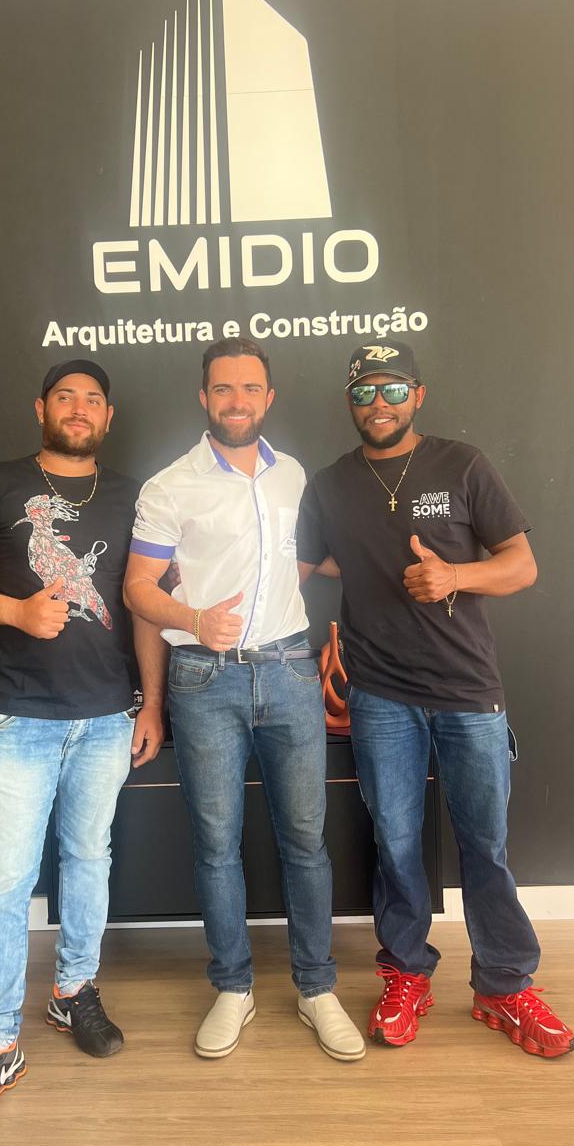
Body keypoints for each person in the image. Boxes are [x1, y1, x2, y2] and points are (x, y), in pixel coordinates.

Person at [297, 342, 574, 1059]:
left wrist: (455, 576)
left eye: (393, 389)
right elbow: (304, 562)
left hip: (467, 691)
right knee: (395, 843)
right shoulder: (330, 484)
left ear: (417, 396)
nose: (379, 404)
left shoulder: (463, 464)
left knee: (485, 845)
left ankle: (504, 986)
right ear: (350, 401)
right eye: (365, 391)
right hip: (380, 695)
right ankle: (406, 974)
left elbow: (521, 565)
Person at [0, 360, 166, 1133]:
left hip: (107, 718)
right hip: (19, 718)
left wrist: (152, 703)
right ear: (42, 408)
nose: (79, 408)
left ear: (108, 415)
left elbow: (142, 606)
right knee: (4, 882)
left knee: (90, 860)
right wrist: (17, 612)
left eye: (92, 399)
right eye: (66, 396)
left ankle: (72, 992)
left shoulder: (132, 495)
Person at [123, 340, 365, 1063]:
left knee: (306, 843)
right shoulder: (170, 485)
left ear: (269, 398)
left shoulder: (293, 476)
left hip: (290, 672)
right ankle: (233, 987)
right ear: (204, 398)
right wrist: (194, 619)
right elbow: (136, 590)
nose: (237, 401)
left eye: (250, 388)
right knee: (216, 845)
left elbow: (297, 561)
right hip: (204, 678)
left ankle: (316, 988)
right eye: (223, 389)